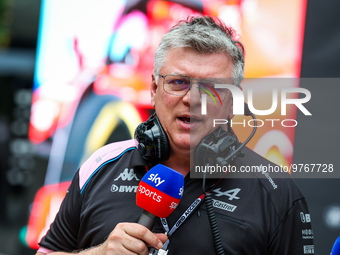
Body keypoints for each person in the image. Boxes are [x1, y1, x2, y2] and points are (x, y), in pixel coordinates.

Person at [36, 16, 314, 255]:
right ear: (154, 89)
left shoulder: (277, 193)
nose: (192, 99)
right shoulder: (100, 165)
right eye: (178, 82)